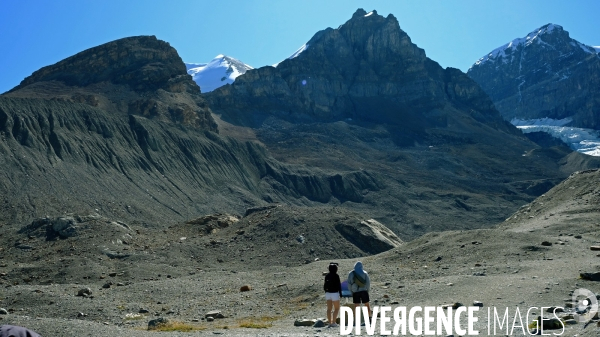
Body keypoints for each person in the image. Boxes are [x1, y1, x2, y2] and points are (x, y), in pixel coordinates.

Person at [323, 262, 342, 328]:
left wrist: (326, 291)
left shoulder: (327, 276)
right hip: (335, 293)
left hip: (328, 293)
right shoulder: (336, 276)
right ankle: (333, 322)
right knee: (336, 308)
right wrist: (341, 294)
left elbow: (324, 285)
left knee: (329, 308)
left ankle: (329, 322)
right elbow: (339, 285)